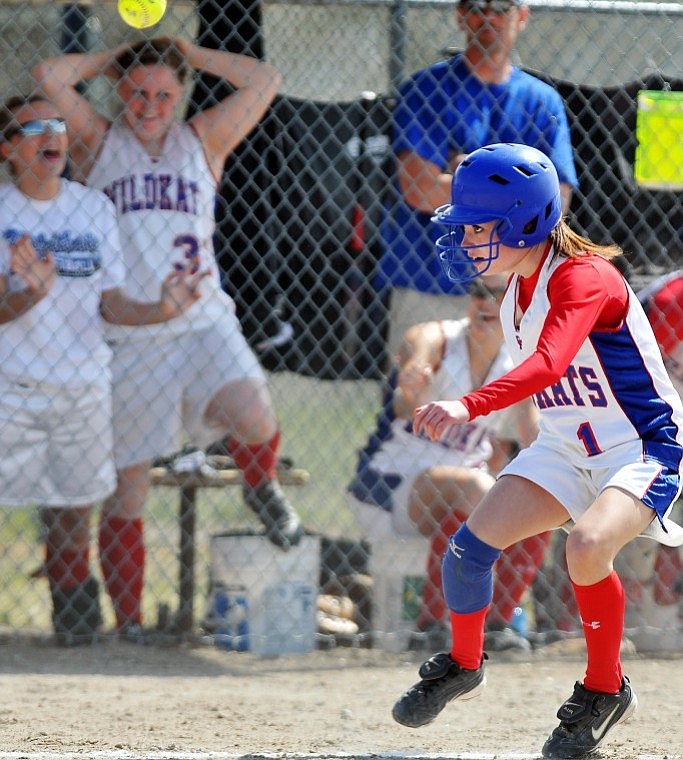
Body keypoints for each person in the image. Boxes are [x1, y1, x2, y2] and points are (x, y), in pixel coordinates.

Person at [391, 142, 683, 759]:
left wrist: (467, 405)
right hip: (566, 443)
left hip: (639, 446)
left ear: (524, 221)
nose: (466, 236)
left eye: (478, 224)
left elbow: (550, 365)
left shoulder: (584, 278)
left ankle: (605, 688)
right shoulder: (517, 288)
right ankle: (464, 663)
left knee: (586, 546)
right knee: (469, 549)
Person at [33, 37, 304, 641]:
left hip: (204, 324)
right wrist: (122, 55)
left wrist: (188, 53)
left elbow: (265, 77)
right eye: (136, 92)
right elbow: (49, 74)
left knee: (255, 415)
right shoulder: (100, 141)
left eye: (163, 93)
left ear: (181, 96)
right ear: (119, 93)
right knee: (128, 488)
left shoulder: (202, 140)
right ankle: (129, 623)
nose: (149, 104)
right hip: (130, 337)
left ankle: (261, 488)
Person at [0, 94, 203, 645]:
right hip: (12, 386)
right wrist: (28, 298)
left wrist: (162, 309)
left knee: (71, 509)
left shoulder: (91, 209)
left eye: (58, 123)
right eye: (34, 126)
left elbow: (110, 304)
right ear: (9, 148)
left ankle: (73, 617)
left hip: (84, 382)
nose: (53, 133)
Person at [347, 273, 543, 651]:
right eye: (477, 292)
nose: (485, 301)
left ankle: (480, 626)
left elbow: (526, 436)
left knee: (535, 498)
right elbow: (406, 395)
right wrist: (412, 381)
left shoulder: (519, 362)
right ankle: (443, 621)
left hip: (463, 493)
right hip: (390, 483)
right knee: (478, 490)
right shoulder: (438, 337)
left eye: (498, 293)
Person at [375, 0, 578, 358]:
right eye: (475, 6)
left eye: (500, 7)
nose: (487, 17)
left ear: (522, 16)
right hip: (429, 279)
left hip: (515, 289)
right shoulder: (424, 90)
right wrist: (517, 190)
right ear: (459, 15)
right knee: (416, 401)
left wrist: (461, 174)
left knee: (513, 409)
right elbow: (420, 190)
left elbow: (555, 204)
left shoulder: (542, 102)